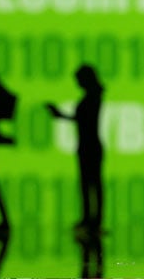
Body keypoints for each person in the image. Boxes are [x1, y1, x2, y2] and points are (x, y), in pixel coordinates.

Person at [47, 65, 104, 231]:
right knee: (89, 184)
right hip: (87, 146)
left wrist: (59, 115)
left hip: (89, 147)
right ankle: (90, 219)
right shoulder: (93, 96)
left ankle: (93, 220)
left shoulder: (92, 97)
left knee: (91, 183)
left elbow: (82, 119)